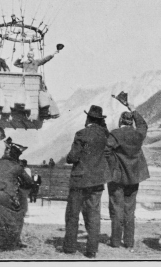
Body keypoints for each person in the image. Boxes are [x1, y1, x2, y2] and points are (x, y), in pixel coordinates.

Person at [63, 105, 111, 258]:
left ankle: (70, 247)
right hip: (97, 181)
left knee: (73, 214)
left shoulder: (81, 134)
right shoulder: (105, 136)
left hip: (80, 180)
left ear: (88, 118)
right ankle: (92, 250)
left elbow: (73, 157)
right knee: (94, 215)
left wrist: (68, 157)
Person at [105, 100, 150, 249]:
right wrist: (133, 109)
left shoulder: (116, 134)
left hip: (117, 177)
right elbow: (143, 125)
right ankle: (129, 242)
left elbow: (106, 151)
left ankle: (116, 241)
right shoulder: (138, 134)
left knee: (117, 208)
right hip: (134, 177)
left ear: (120, 121)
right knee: (130, 209)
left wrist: (114, 165)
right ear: (131, 122)